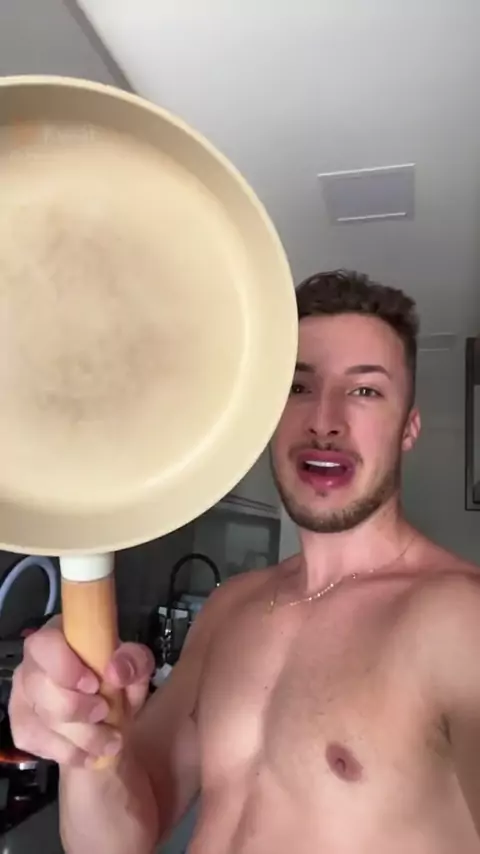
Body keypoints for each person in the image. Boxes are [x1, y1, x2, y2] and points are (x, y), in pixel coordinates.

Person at [9, 269, 480, 854]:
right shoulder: (232, 606)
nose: (325, 419)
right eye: (298, 386)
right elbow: (115, 841)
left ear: (409, 428)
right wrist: (84, 745)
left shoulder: (460, 621)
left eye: (365, 391)